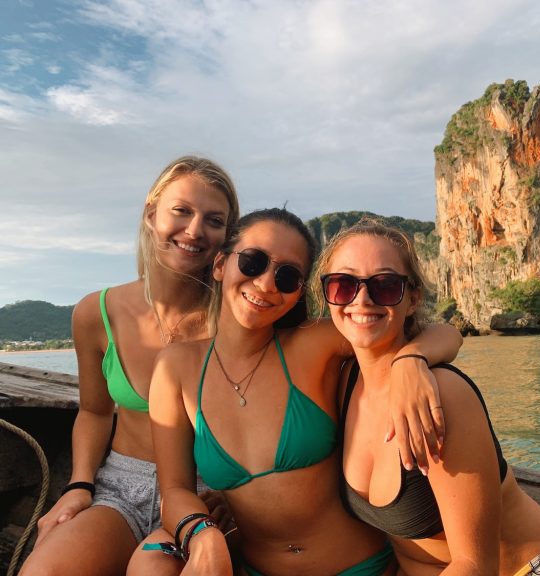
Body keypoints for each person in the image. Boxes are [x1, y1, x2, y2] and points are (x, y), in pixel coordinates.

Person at [144, 208, 462, 576]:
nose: (266, 284)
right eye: (252, 262)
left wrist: (411, 360)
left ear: (298, 293)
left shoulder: (314, 344)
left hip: (359, 567)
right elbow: (175, 491)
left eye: (287, 276)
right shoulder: (176, 368)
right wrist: (203, 533)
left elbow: (443, 333)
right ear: (219, 265)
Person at [316, 219, 540, 576]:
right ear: (326, 294)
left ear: (413, 298)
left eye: (385, 286)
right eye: (343, 284)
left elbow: (475, 565)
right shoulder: (343, 382)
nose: (362, 298)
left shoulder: (442, 394)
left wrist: (412, 359)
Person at [19, 156, 240, 576]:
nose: (194, 230)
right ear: (150, 213)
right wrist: (79, 485)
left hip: (204, 495)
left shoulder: (237, 317)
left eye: (214, 220)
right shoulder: (96, 312)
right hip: (120, 488)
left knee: (152, 571)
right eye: (182, 211)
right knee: (41, 570)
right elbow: (95, 411)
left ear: (227, 235)